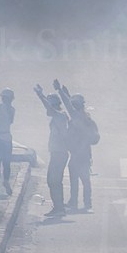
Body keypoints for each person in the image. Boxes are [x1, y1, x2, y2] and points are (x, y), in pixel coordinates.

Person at [54, 79, 99, 213]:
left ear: (77, 105)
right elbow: (70, 104)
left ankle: (80, 202)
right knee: (81, 178)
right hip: (82, 153)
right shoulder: (84, 116)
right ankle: (82, 202)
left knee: (81, 178)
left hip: (80, 153)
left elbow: (68, 105)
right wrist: (65, 93)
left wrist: (60, 91)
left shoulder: (77, 116)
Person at [35, 84, 70, 217]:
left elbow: (48, 108)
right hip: (57, 152)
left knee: (54, 180)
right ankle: (58, 206)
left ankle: (59, 208)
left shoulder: (60, 115)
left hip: (60, 153)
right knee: (53, 180)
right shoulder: (59, 116)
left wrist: (40, 95)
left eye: (50, 104)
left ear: (54, 104)